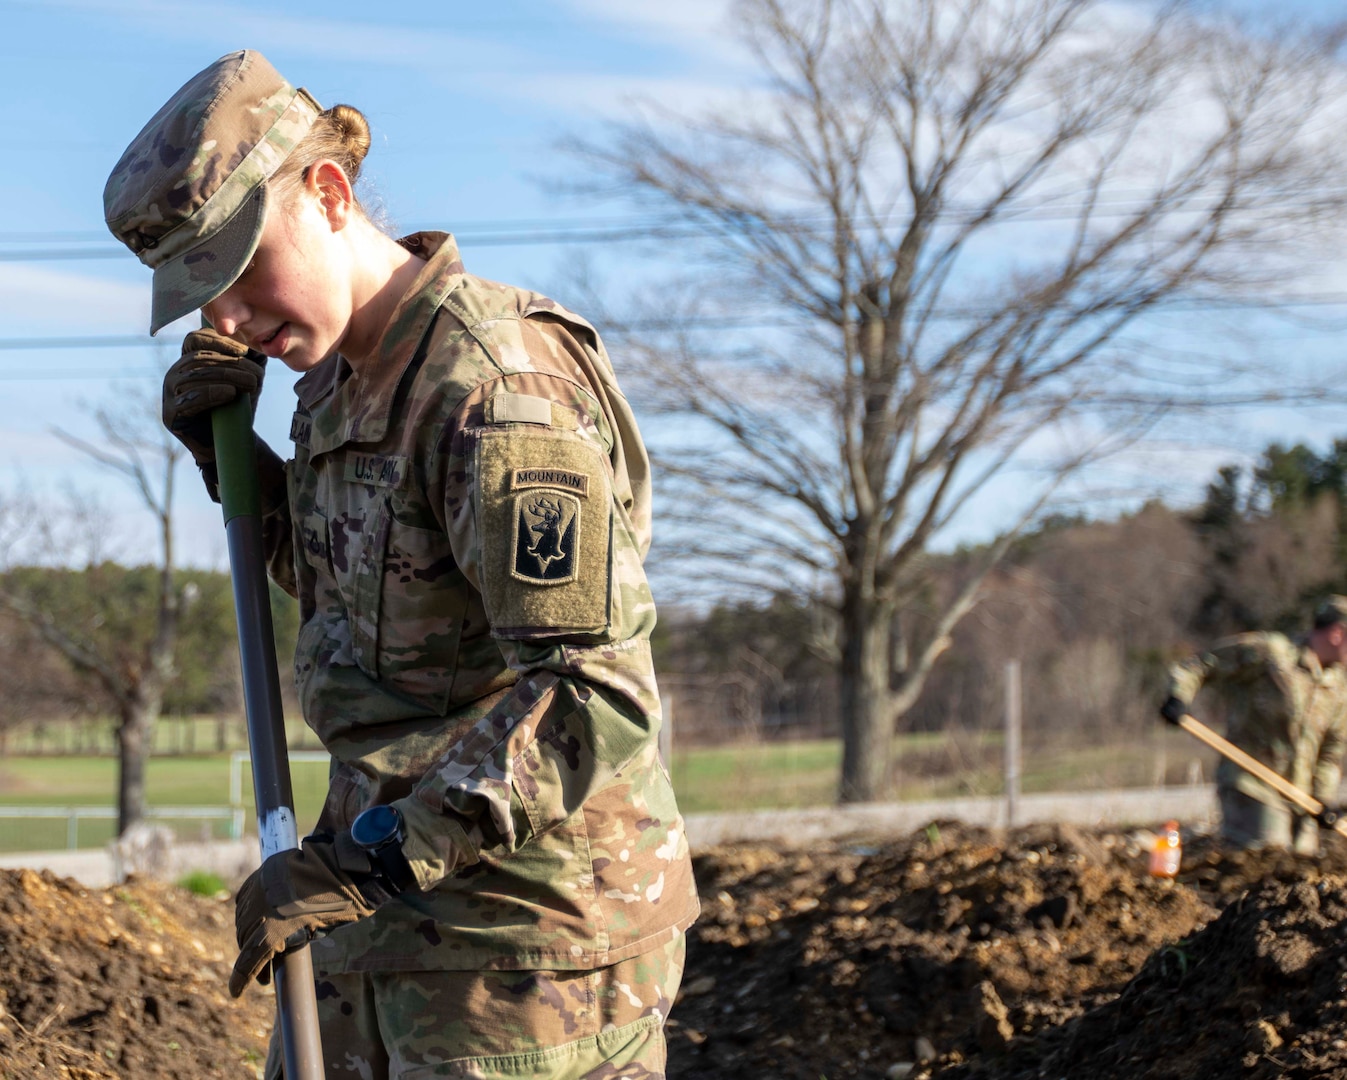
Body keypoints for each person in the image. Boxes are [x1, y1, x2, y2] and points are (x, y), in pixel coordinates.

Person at [103, 50, 699, 1078]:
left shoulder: (495, 389)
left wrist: (374, 857)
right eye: (199, 293)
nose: (225, 321)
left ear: (328, 193)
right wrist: (237, 467)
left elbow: (594, 695)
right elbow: (375, 611)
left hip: (522, 953)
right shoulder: (342, 377)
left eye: (239, 269)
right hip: (383, 921)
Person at [1160, 596, 1347, 855]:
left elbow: (1330, 752)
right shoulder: (1272, 655)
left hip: (1300, 798)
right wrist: (1178, 696)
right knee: (1267, 856)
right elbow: (1202, 664)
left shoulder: (1338, 688)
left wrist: (1323, 801)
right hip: (1252, 783)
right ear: (1338, 633)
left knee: (1302, 870)